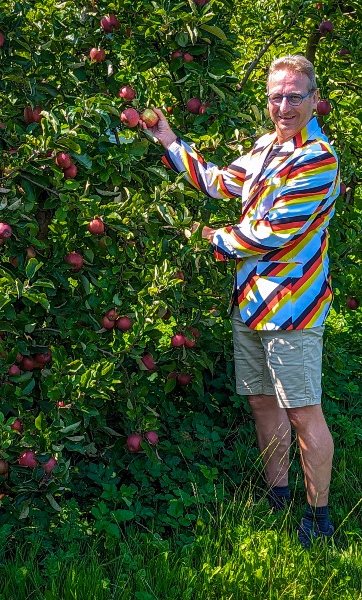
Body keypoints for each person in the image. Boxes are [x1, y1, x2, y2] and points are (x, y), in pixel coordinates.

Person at [145, 55, 341, 548]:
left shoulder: (318, 158)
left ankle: (318, 518)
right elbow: (217, 182)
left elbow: (270, 233)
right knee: (260, 403)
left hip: (292, 306)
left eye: (295, 95)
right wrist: (168, 140)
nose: (284, 105)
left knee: (303, 411)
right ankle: (277, 496)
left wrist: (206, 237)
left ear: (315, 100)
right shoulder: (263, 149)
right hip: (250, 301)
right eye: (276, 96)